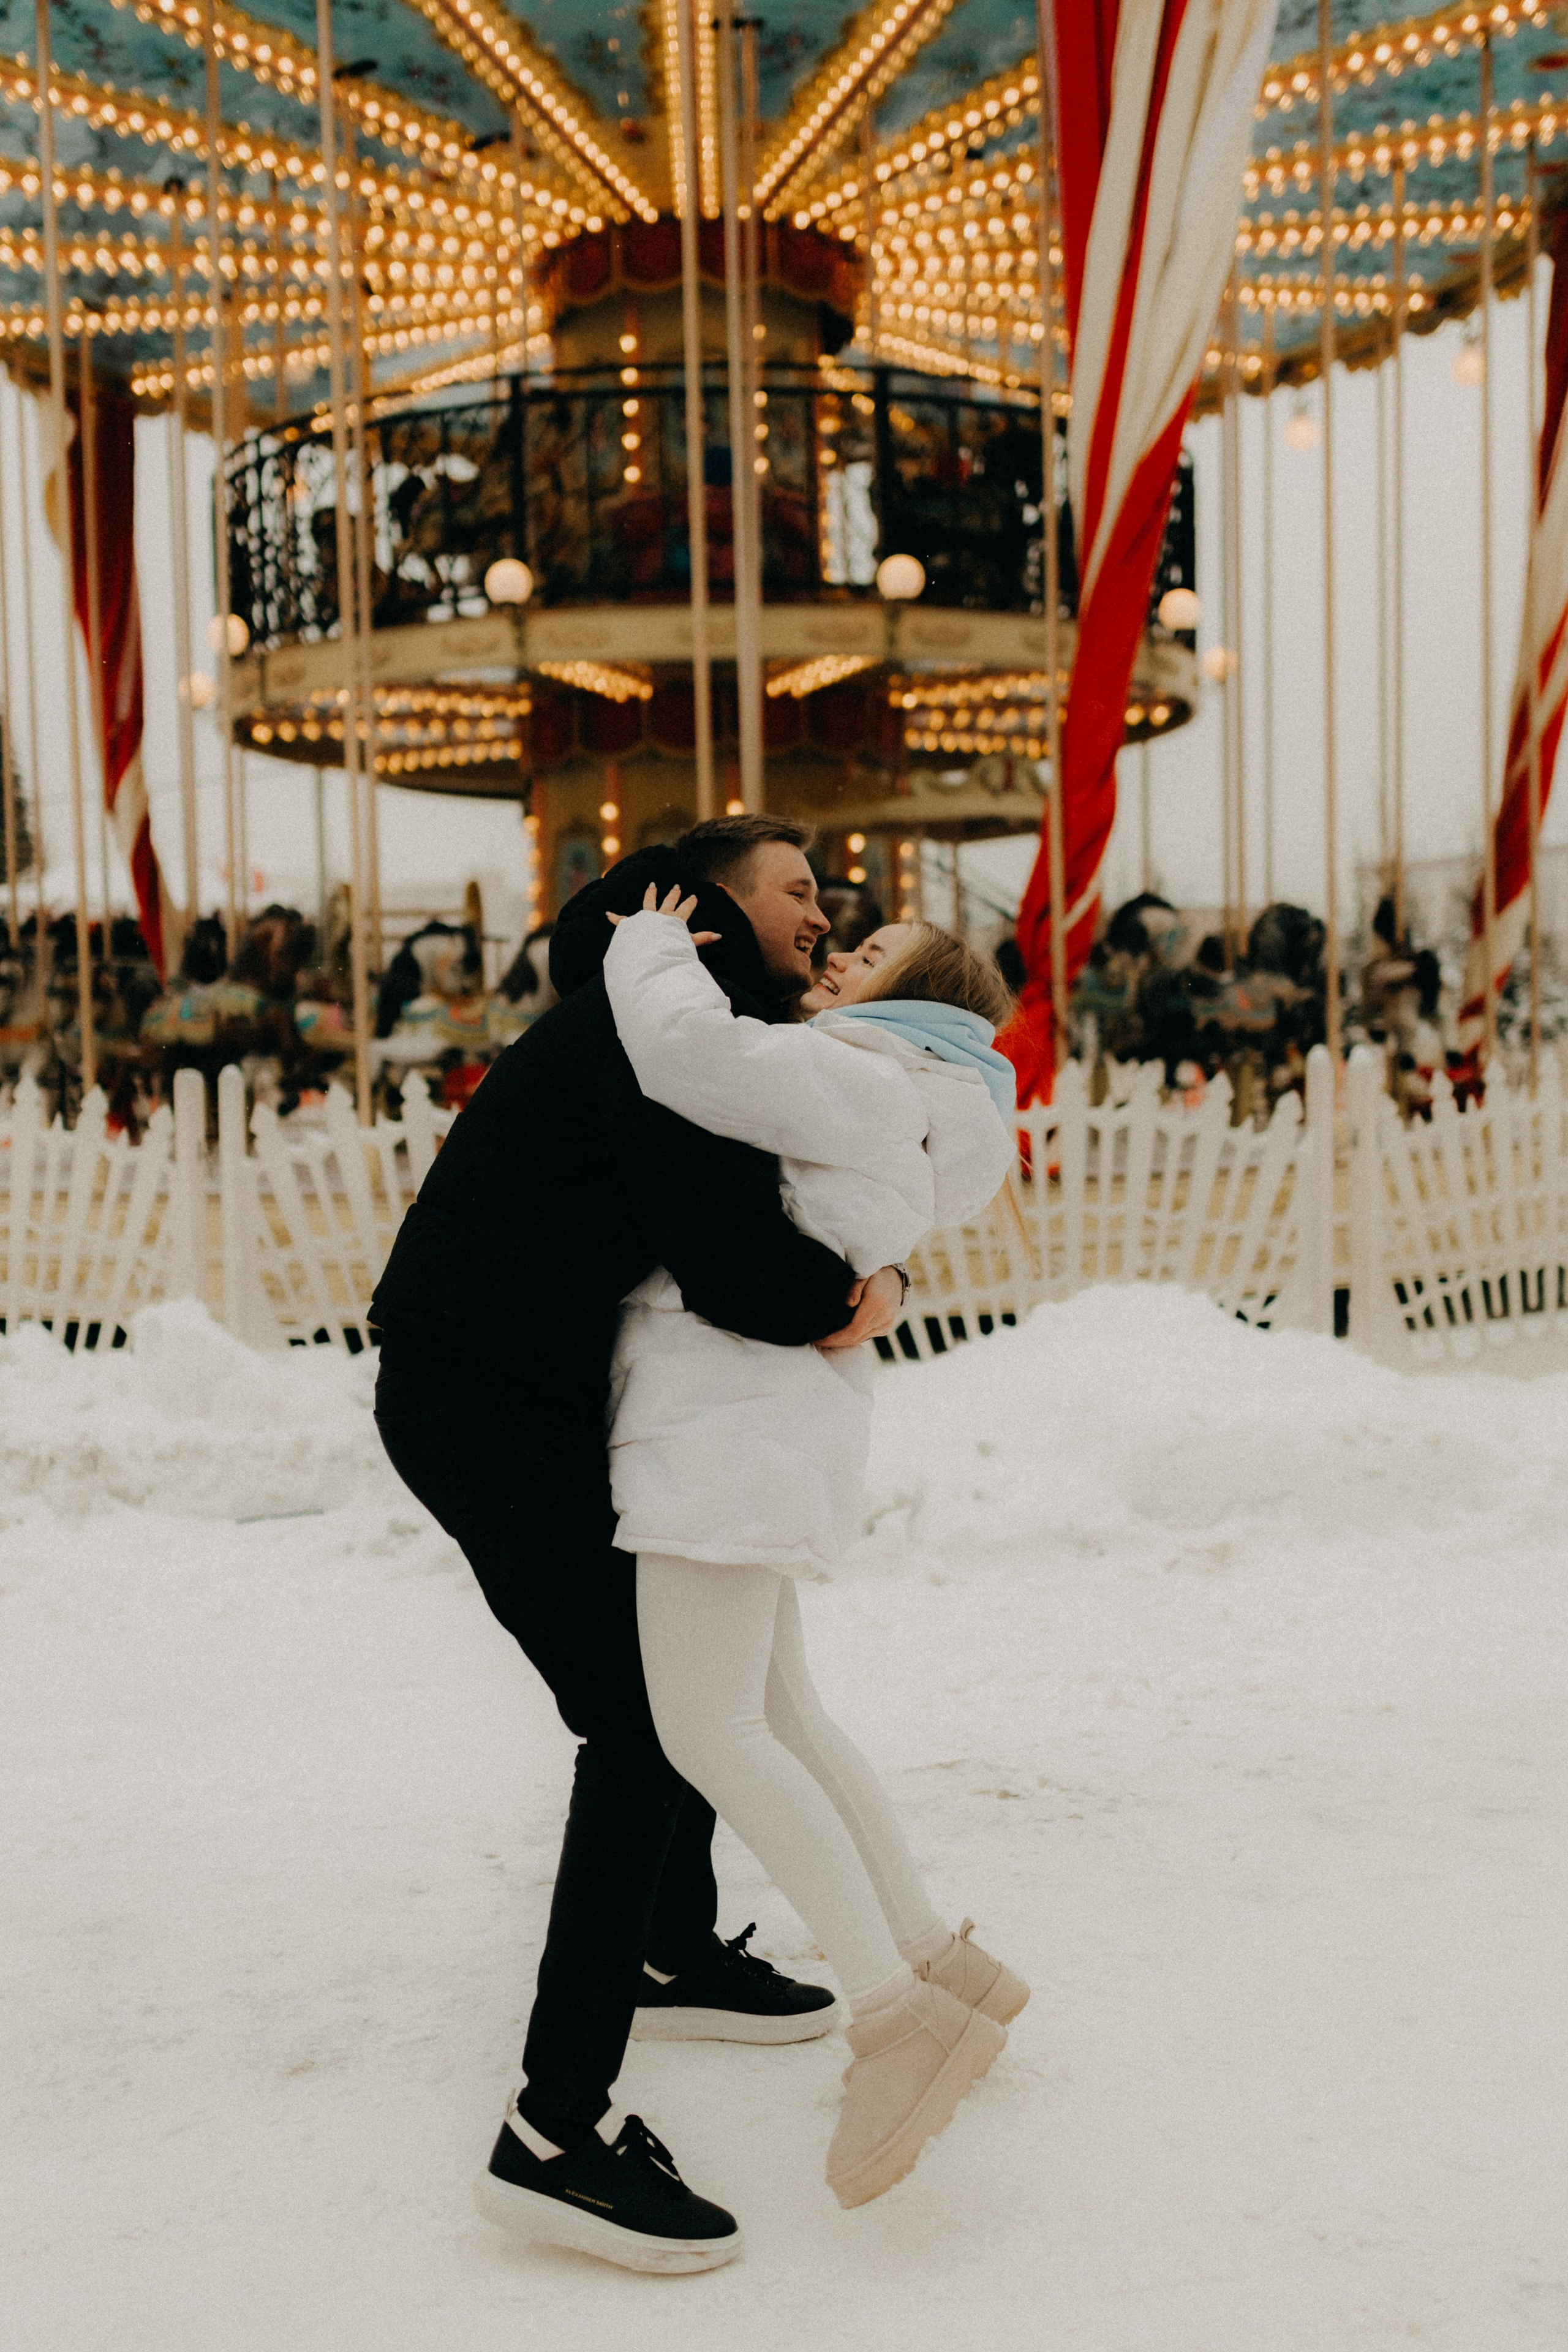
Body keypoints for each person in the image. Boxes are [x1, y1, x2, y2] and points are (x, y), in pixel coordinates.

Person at [371, 818, 908, 2274]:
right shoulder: (651, 1036)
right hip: (484, 1402)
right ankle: (554, 2132)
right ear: (712, 909)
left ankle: (669, 1948)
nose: (822, 910)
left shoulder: (664, 1019)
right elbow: (734, 1255)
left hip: (518, 1394)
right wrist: (853, 1292)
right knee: (645, 1721)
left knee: (667, 1696)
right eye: (796, 889)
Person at [491, 888, 1028, 2223]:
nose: (836, 958)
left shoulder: (852, 1070)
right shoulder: (921, 1096)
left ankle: (894, 2015)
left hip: (717, 1428)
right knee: (782, 1711)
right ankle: (926, 1956)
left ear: (912, 1006)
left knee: (709, 1732)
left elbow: (695, 1055)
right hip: (764, 1428)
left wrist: (647, 942)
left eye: (868, 957)